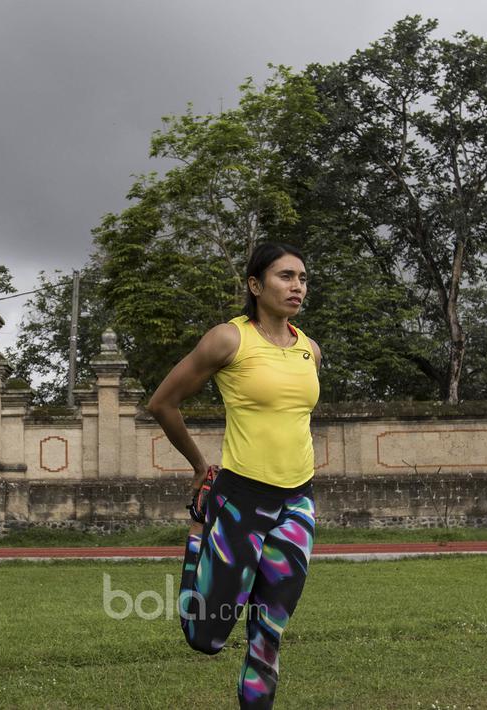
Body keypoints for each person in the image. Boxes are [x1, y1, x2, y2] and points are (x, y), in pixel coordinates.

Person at [146, 242, 320, 709]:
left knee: (269, 634)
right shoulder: (229, 339)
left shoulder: (310, 350)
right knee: (207, 637)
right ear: (255, 285)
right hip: (240, 501)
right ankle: (196, 536)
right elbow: (162, 403)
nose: (297, 286)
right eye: (285, 276)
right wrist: (201, 467)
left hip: (297, 504)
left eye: (302, 278)